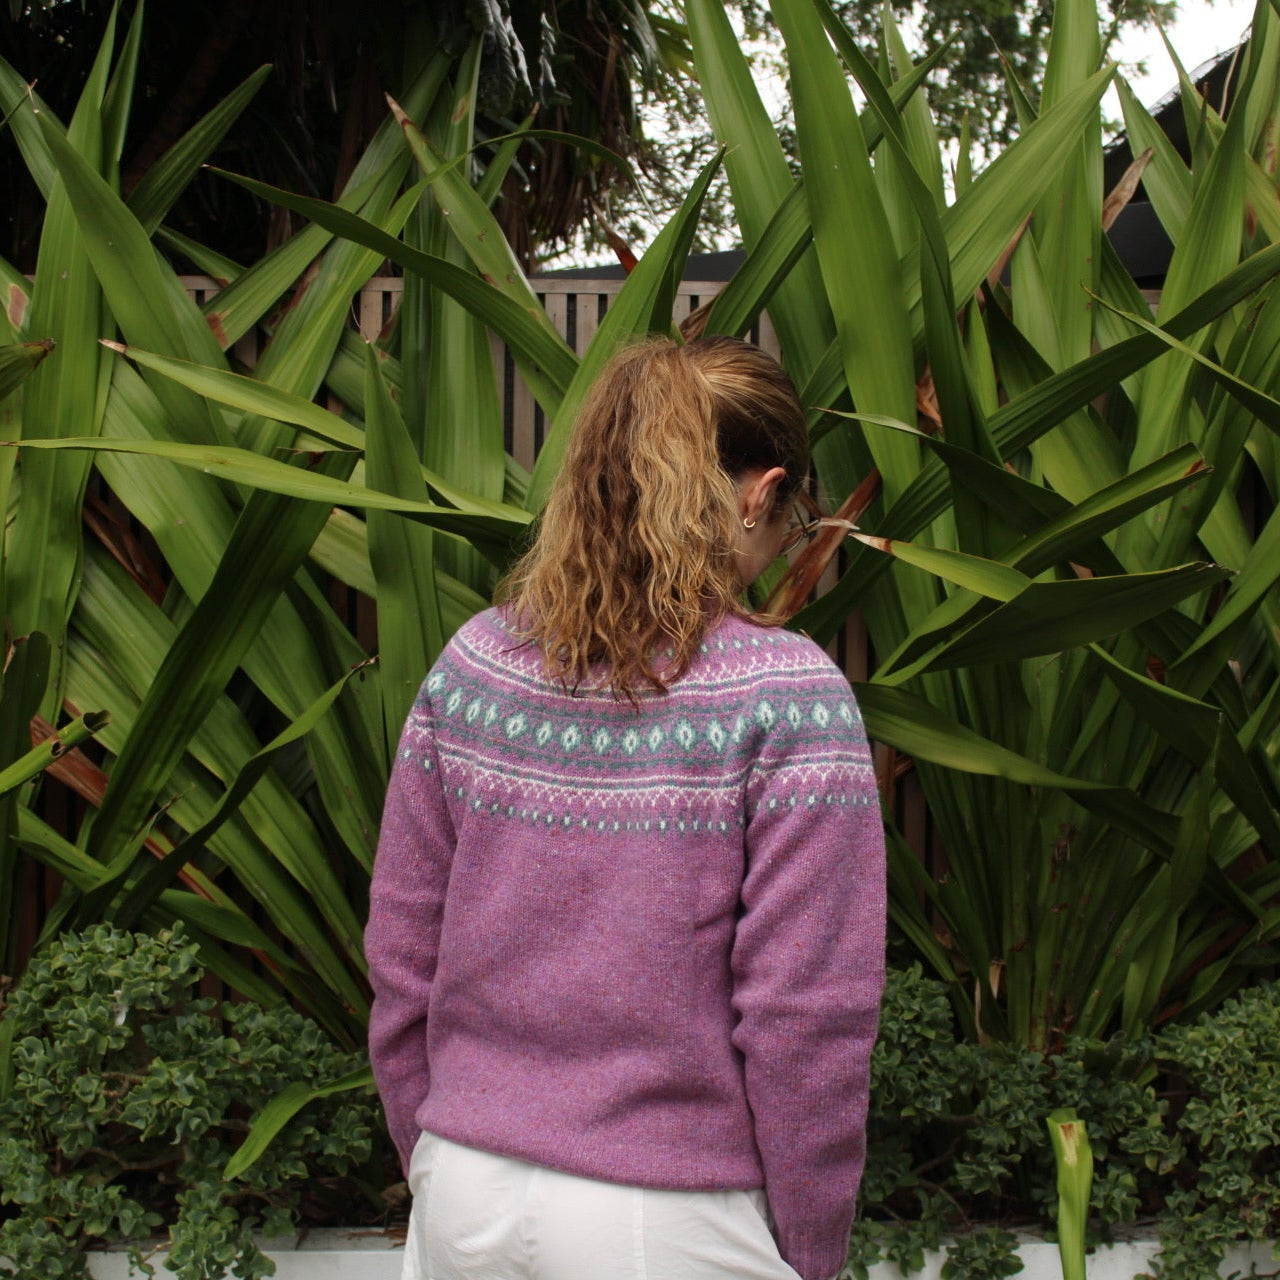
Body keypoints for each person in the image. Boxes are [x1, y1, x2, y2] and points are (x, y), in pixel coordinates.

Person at [365, 335, 886, 1280]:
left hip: (464, 1194)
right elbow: (806, 1022)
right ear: (759, 493)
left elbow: (402, 958)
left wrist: (437, 1159)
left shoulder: (473, 665)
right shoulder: (789, 697)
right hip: (668, 1218)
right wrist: (812, 1252)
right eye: (790, 519)